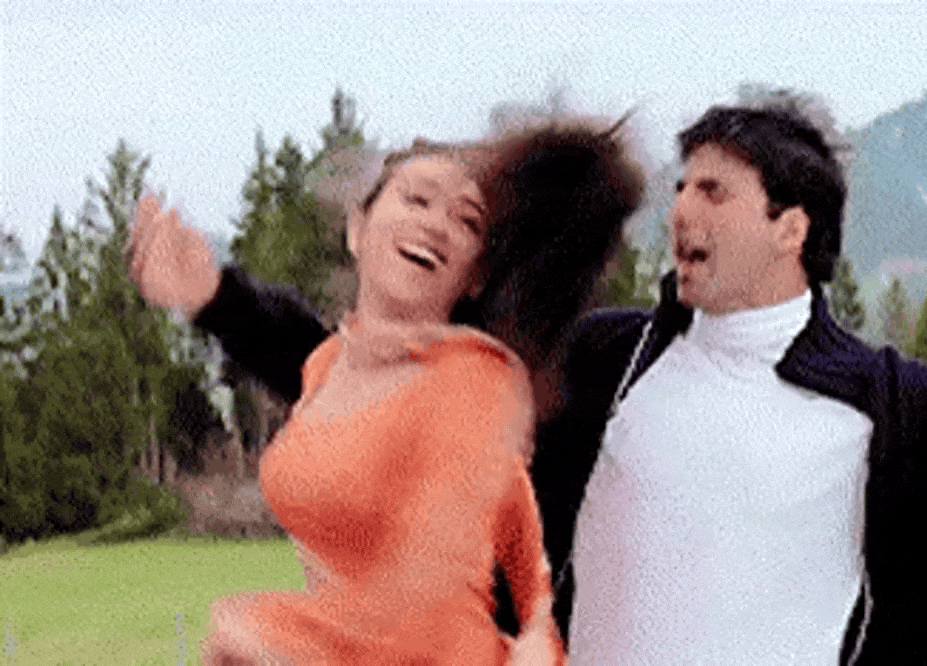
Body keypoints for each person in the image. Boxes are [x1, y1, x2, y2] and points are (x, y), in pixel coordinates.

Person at [163, 91, 927, 665]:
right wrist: (221, 301)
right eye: (682, 185)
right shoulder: (608, 364)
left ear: (790, 228)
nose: (682, 208)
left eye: (715, 191)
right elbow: (381, 378)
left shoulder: (900, 412)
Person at [128, 123, 644, 664]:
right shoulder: (353, 368)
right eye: (416, 200)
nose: (434, 224)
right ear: (358, 228)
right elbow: (321, 358)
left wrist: (272, 633)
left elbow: (419, 610)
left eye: (466, 219)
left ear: (479, 271)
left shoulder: (493, 382)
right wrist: (213, 296)